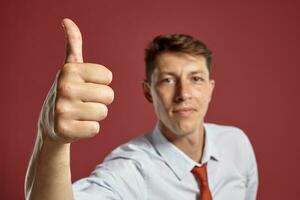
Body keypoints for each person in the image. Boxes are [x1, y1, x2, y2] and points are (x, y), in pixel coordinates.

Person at [25, 18, 258, 200]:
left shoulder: (237, 144)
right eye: (167, 80)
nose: (183, 94)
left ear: (210, 88)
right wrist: (52, 141)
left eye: (196, 79)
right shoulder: (131, 169)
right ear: (148, 92)